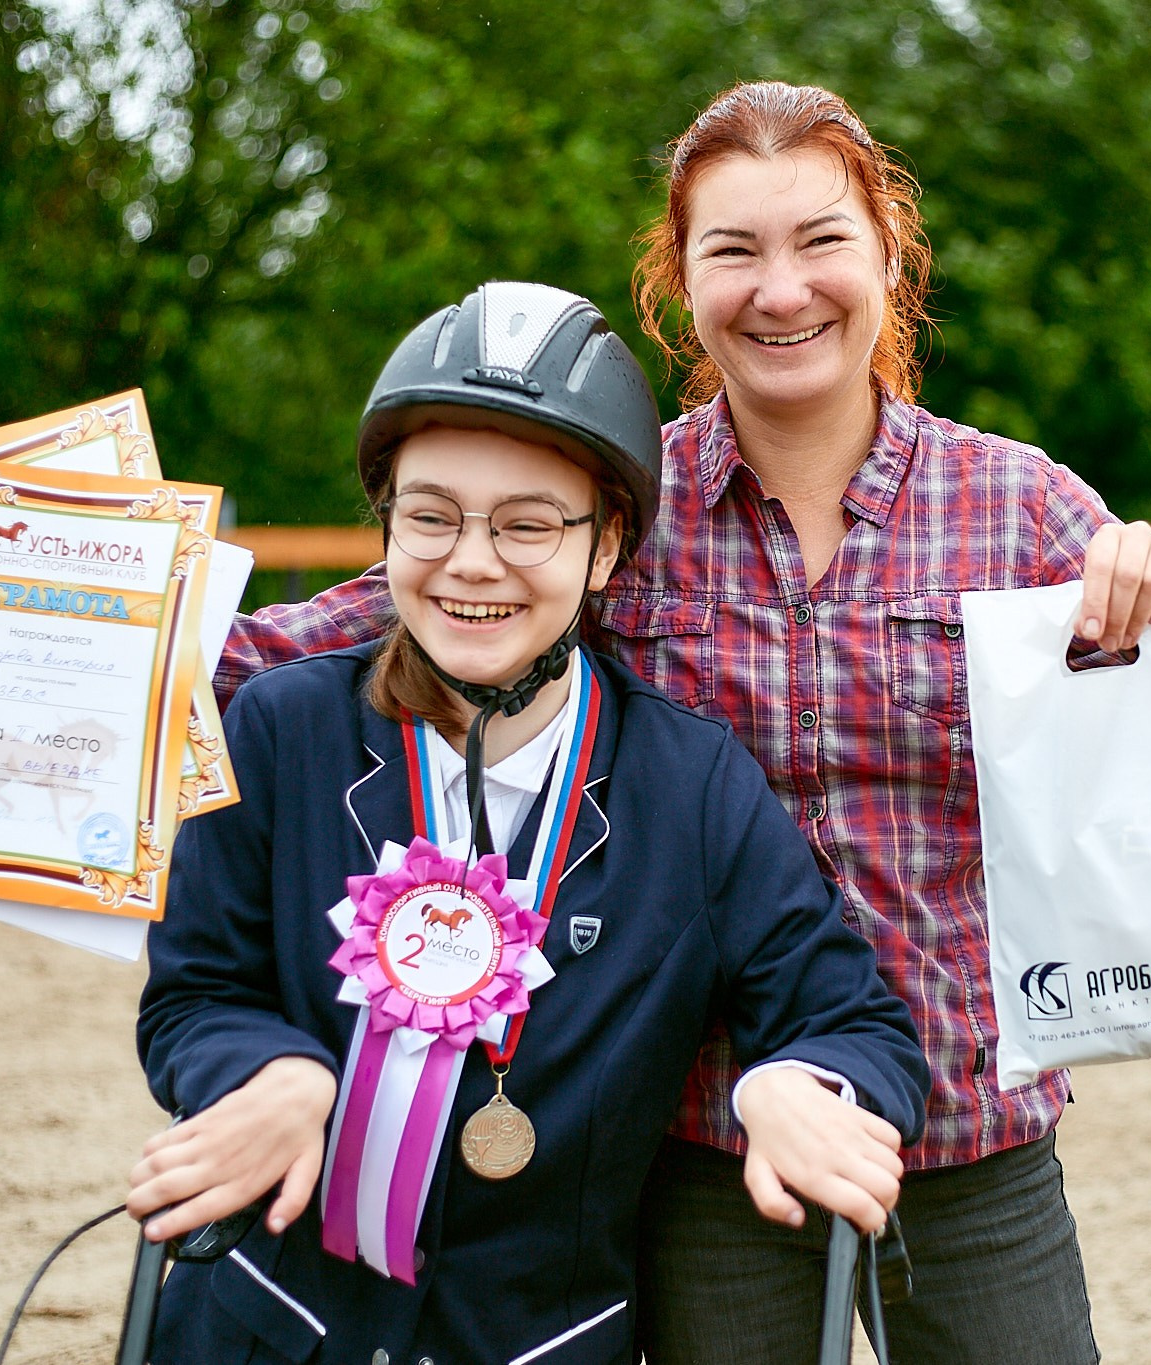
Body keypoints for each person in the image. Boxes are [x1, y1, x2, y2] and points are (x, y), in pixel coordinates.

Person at [0, 83, 1151, 1362]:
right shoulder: (616, 495)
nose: (780, 287)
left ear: (889, 261)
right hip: (700, 1140)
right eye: (731, 250)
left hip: (972, 1131)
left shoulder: (1021, 503)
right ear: (680, 283)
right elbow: (323, 634)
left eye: (821, 241)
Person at [119, 281, 928, 1364]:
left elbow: (858, 1027)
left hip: (536, 1341)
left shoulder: (690, 790)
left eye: (528, 525)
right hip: (266, 1326)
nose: (470, 562)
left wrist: (792, 1082)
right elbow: (196, 994)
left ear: (604, 550)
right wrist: (269, 1072)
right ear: (388, 522)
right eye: (431, 515)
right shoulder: (279, 733)